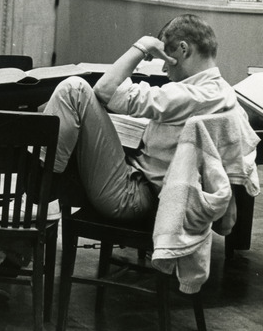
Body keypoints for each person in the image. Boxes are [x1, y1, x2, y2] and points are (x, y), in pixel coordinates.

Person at [45, 13, 258, 221]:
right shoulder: (224, 94)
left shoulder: (189, 95)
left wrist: (142, 46)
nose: (164, 68)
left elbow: (104, 90)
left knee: (74, 90)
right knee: (69, 118)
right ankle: (43, 185)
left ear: (183, 49)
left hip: (133, 195)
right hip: (146, 189)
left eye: (165, 56)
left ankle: (40, 185)